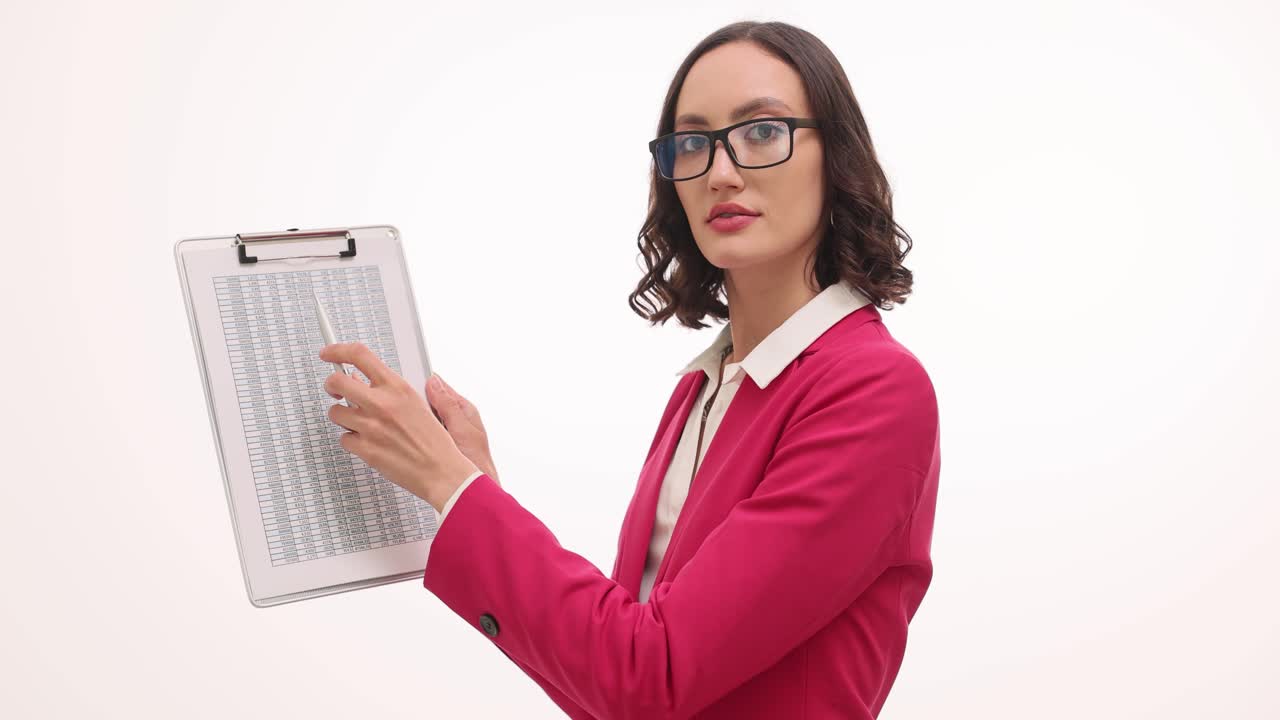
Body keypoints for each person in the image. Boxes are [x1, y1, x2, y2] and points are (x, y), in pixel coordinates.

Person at [319, 19, 941, 720]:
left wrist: (453, 487)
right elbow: (616, 686)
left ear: (836, 155)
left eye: (762, 132)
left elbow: (650, 675)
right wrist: (479, 490)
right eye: (692, 143)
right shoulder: (705, 388)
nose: (722, 172)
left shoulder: (873, 390)